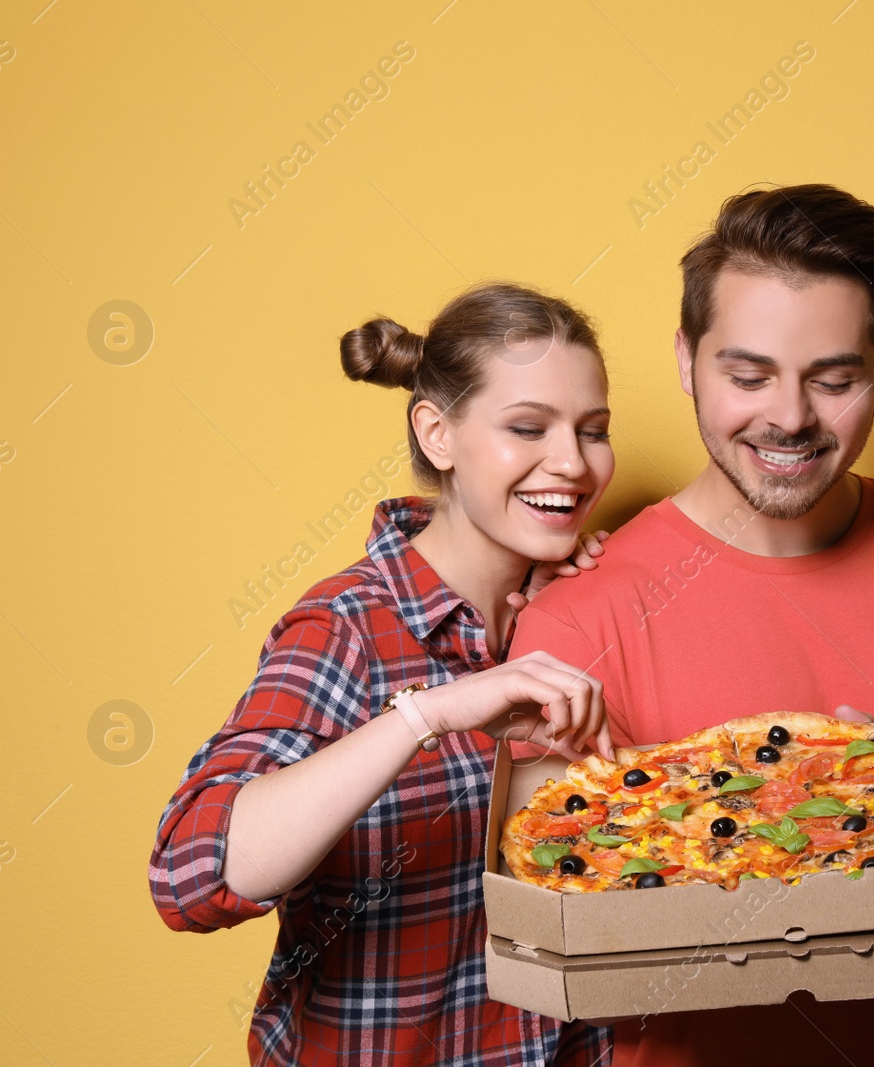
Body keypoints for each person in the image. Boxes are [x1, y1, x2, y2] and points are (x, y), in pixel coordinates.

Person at [507, 183, 874, 1067]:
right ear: (685, 360)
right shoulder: (577, 613)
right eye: (747, 376)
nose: (789, 416)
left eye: (834, 379)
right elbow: (558, 883)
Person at [148, 282, 620, 1066]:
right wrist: (428, 714)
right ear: (437, 432)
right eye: (528, 427)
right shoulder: (349, 626)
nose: (572, 462)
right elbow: (191, 874)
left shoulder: (576, 610)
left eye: (594, 430)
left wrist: (605, 591)